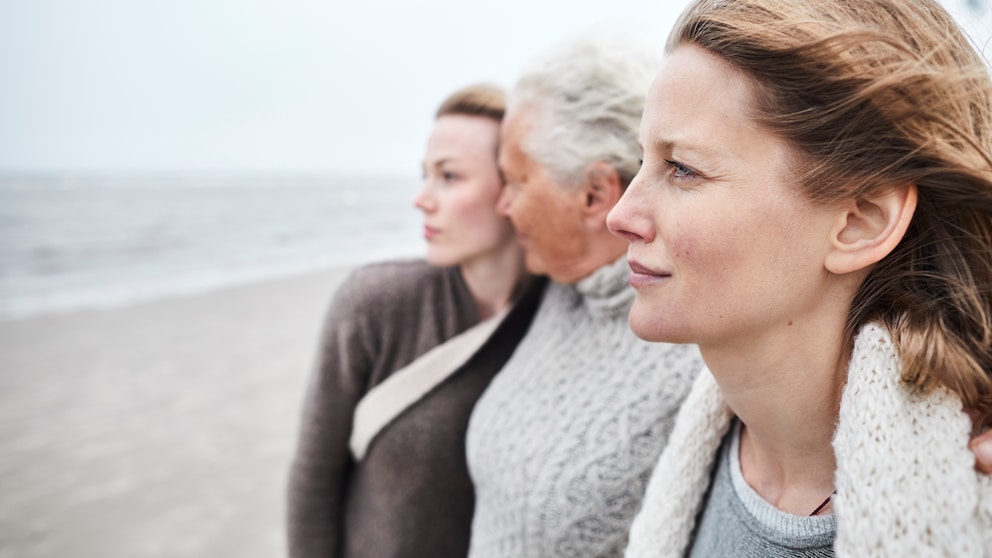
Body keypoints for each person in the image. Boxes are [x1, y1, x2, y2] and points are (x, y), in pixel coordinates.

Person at [607, 0, 992, 555]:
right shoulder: (672, 447)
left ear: (860, 222)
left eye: (683, 168)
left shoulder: (972, 507)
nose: (620, 215)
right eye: (642, 161)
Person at [465, 33, 704, 557]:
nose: (503, 205)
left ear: (595, 194)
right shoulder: (560, 289)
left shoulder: (694, 355)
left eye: (516, 181)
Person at [286, 83, 545, 558]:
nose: (421, 200)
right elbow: (313, 475)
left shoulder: (560, 313)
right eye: (424, 175)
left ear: (514, 186)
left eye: (449, 177)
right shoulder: (373, 304)